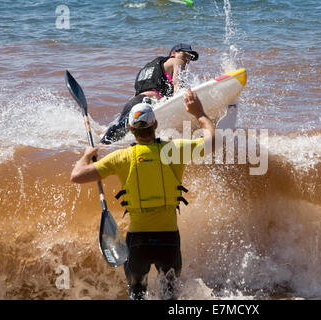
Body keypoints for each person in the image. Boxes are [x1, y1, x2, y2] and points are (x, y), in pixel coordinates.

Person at [70, 88, 215, 300]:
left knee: (136, 293)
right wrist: (199, 112)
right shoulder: (174, 149)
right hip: (169, 241)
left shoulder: (120, 158)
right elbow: (211, 141)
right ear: (155, 125)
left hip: (137, 242)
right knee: (170, 296)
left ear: (129, 128)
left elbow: (77, 175)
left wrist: (86, 156)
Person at [100, 43, 199, 145]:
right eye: (185, 54)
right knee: (116, 136)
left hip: (132, 104)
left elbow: (137, 94)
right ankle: (100, 146)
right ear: (174, 53)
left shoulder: (149, 68)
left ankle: (104, 140)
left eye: (190, 57)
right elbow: (177, 85)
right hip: (146, 103)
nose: (187, 60)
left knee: (120, 134)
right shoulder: (177, 61)